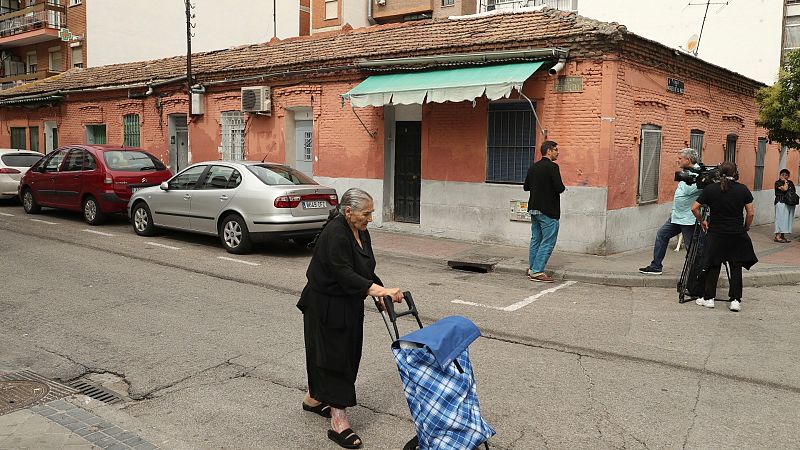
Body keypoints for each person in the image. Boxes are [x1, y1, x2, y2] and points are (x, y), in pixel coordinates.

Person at [297, 188, 404, 449]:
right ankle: (339, 423)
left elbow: (364, 268)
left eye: (371, 213)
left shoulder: (361, 231)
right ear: (348, 211)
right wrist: (379, 291)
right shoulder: (335, 233)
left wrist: (378, 290)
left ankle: (313, 399)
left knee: (338, 354)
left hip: (348, 303)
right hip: (326, 305)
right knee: (336, 359)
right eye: (366, 213)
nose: (370, 218)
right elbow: (343, 273)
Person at [691, 161, 757, 312]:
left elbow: (694, 208)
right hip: (736, 234)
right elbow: (751, 213)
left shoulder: (711, 189)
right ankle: (735, 300)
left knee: (713, 265)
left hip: (716, 233)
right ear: (735, 173)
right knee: (736, 267)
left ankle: (709, 298)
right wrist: (745, 227)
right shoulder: (743, 189)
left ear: (719, 173)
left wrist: (702, 221)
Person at [639, 148, 703, 275]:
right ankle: (656, 266)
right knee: (662, 235)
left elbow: (688, 191)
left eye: (680, 158)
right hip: (677, 216)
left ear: (688, 160)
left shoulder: (699, 175)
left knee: (691, 247)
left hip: (688, 218)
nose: (677, 161)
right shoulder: (687, 172)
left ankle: (694, 274)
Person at [523, 140, 565, 283]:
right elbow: (560, 188)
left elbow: (526, 187)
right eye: (556, 150)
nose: (558, 152)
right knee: (548, 241)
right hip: (548, 210)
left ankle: (532, 269)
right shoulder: (553, 167)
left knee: (536, 240)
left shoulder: (533, 167)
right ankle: (537, 271)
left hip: (534, 208)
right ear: (549, 151)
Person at [774, 169, 796, 243]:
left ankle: (782, 236)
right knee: (780, 218)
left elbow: (793, 191)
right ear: (780, 175)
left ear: (788, 176)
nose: (784, 176)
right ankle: (777, 237)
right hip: (780, 202)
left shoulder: (791, 182)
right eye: (782, 174)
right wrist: (786, 182)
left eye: (786, 175)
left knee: (786, 220)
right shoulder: (777, 182)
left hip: (788, 203)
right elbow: (785, 189)